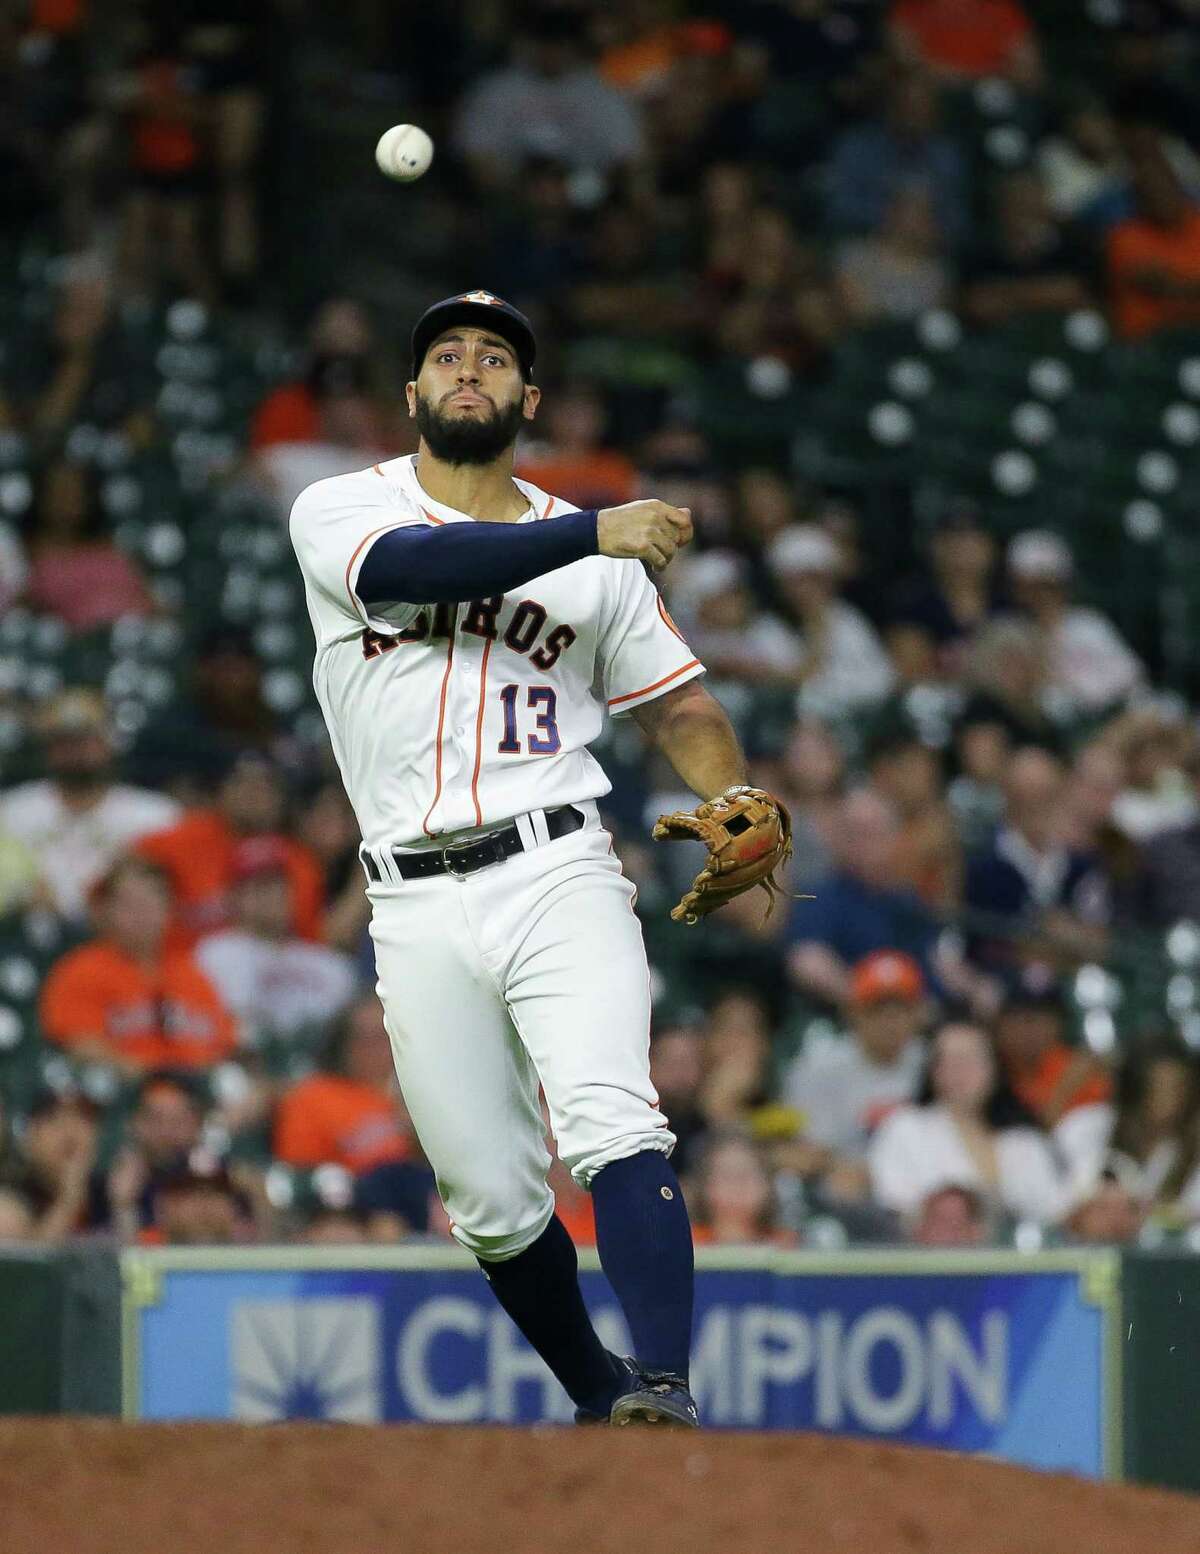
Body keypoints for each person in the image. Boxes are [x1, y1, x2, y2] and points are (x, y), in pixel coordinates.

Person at [287, 287, 791, 1429]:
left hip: (558, 865)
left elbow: (682, 705)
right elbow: (414, 570)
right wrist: (593, 527)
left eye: (497, 357)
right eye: (449, 355)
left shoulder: (600, 563)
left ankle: (663, 1387)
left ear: (529, 397)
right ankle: (598, 1397)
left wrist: (736, 792)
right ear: (412, 393)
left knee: (615, 1117)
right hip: (409, 897)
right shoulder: (339, 507)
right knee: (491, 1201)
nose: (472, 369)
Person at [39, 855, 237, 1074]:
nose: (142, 913)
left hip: (193, 1094)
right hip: (120, 1095)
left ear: (169, 909)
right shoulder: (80, 969)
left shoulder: (192, 973)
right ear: (105, 910)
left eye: (152, 901)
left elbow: (222, 1047)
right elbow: (80, 1045)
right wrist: (149, 1076)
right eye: (130, 904)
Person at [0, 690, 180, 921]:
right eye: (63, 743)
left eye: (85, 741)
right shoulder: (13, 810)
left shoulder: (155, 815)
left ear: (108, 744)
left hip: (122, 939)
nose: (74, 752)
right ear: (46, 749)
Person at [869, 1019, 1065, 1224]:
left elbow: (1053, 1212)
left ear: (994, 1068)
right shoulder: (904, 1128)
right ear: (933, 1071)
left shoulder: (1024, 1140)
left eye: (970, 1059)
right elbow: (894, 1205)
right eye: (948, 1060)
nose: (959, 1070)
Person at [136, 751, 324, 949]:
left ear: (281, 799)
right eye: (242, 781)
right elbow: (121, 884)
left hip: (263, 974)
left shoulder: (299, 864)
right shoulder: (177, 841)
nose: (253, 792)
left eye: (266, 785)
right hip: (181, 968)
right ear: (221, 789)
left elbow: (310, 941)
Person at [452, 12, 644, 192]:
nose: (553, 51)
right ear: (529, 44)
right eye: (546, 43)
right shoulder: (497, 89)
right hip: (512, 191)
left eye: (561, 44)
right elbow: (475, 153)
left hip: (584, 194)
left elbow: (628, 156)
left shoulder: (601, 92)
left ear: (575, 46)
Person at [195, 835, 357, 1049]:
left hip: (317, 1067)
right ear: (234, 896)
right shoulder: (213, 953)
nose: (272, 895)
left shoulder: (330, 964)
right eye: (259, 886)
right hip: (246, 1062)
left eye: (279, 885)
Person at [786, 787, 942, 1005]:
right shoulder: (818, 896)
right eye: (852, 833)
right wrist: (866, 1000)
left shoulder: (909, 901)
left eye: (871, 833)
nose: (862, 844)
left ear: (893, 838)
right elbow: (807, 961)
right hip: (844, 1020)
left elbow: (933, 965)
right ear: (837, 839)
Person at [963, 746, 1111, 976]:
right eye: (1028, 796)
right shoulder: (980, 866)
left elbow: (1100, 945)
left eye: (1047, 795)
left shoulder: (1082, 866)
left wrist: (1065, 937)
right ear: (1009, 798)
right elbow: (975, 945)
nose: (1038, 806)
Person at [781, 950, 928, 1178]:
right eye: (878, 1009)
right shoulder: (821, 1066)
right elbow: (806, 1151)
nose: (891, 1022)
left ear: (919, 1013)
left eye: (902, 1009)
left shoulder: (932, 1062)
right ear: (854, 1012)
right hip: (838, 1185)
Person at [272, 994, 414, 1175]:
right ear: (344, 1045)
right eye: (368, 1039)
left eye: (387, 1036)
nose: (381, 1049)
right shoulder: (313, 1097)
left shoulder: (419, 1093)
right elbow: (301, 1174)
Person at [827, 68, 968, 248]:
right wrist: (893, 221)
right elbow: (840, 205)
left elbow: (957, 215)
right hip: (867, 245)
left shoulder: (947, 155)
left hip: (931, 251)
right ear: (890, 107)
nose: (913, 116)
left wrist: (932, 228)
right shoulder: (855, 147)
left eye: (922, 107)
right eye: (907, 105)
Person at [1007, 531, 1144, 715]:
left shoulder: (1088, 623)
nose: (1041, 596)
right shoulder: (1013, 632)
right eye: (1032, 588)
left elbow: (1130, 677)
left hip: (1113, 713)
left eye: (1048, 587)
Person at [766, 525, 894, 718]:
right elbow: (788, 682)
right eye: (796, 581)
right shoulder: (769, 625)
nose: (805, 588)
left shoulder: (848, 620)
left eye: (813, 579)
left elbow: (882, 680)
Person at [22, 458, 156, 632]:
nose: (68, 499)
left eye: (76, 491)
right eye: (59, 490)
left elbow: (151, 605)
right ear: (41, 496)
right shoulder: (24, 554)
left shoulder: (110, 551)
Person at [91, 1071, 205, 1239]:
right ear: (133, 1123)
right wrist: (123, 1205)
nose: (166, 1131)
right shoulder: (103, 1185)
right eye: (155, 1119)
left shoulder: (219, 1181)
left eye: (178, 1120)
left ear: (197, 1125)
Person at [1107, 138, 1200, 341]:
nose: (1158, 198)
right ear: (1138, 201)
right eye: (1148, 194)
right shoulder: (1125, 236)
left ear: (1178, 189)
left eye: (1164, 189)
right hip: (1151, 339)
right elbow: (1161, 284)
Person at [993, 983, 1112, 1129]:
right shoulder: (988, 1072)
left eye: (1043, 1020)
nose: (1031, 1031)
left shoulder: (1084, 1069)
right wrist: (1064, 1090)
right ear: (999, 1025)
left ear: (1058, 1025)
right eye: (1024, 1019)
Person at [888, 0, 1041, 89]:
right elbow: (905, 62)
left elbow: (1028, 71)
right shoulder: (912, 7)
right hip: (935, 93)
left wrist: (978, 78)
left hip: (989, 94)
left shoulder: (1000, 8)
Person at [690, 1131, 797, 1247]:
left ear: (768, 1185)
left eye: (747, 1174)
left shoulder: (787, 1244)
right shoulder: (684, 1242)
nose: (737, 1186)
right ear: (704, 1185)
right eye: (726, 1175)